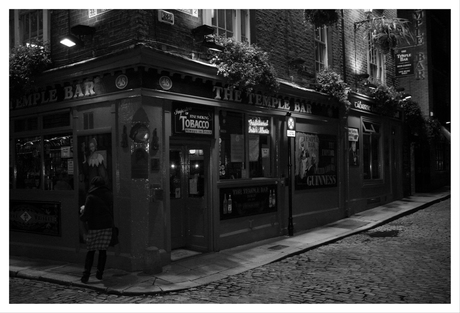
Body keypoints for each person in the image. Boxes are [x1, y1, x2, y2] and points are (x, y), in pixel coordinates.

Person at [79, 176, 113, 283]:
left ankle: (86, 275)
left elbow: (87, 214)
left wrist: (83, 210)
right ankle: (100, 274)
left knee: (91, 251)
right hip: (107, 225)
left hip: (94, 226)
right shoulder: (108, 194)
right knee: (103, 250)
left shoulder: (91, 196)